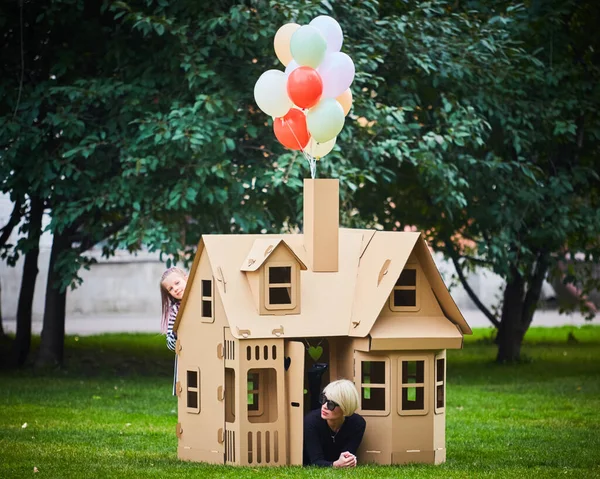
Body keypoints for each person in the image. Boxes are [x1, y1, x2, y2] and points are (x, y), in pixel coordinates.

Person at [303, 379, 366, 467]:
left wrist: (348, 460)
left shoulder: (357, 424)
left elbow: (347, 455)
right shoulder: (311, 421)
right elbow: (315, 461)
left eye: (331, 404)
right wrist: (336, 465)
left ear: (345, 407)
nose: (324, 406)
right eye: (323, 399)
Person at [160, 267, 188, 395]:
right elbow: (170, 345)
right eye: (170, 289)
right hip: (187, 356)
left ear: (186, 279)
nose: (175, 288)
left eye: (177, 283)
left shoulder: (203, 298)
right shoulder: (175, 310)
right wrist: (176, 333)